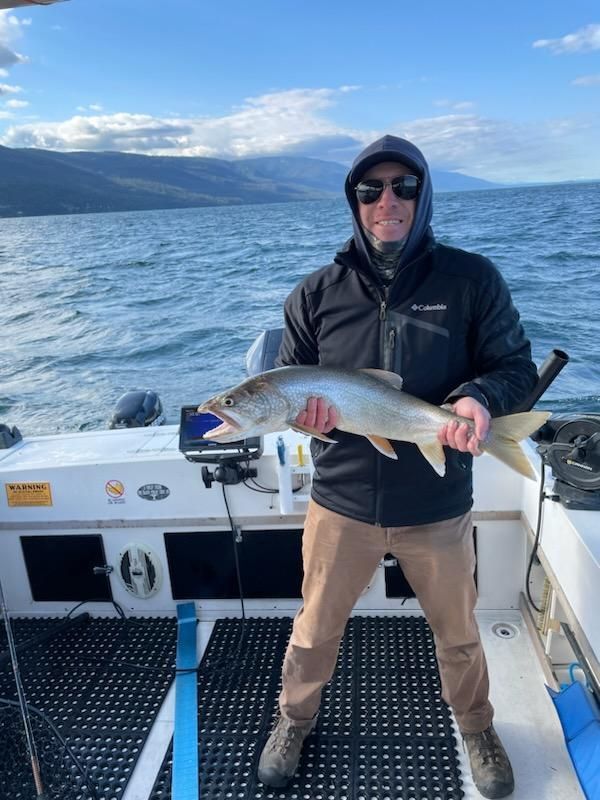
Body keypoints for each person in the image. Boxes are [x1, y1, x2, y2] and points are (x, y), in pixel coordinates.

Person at [257, 134, 538, 799]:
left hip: (437, 504)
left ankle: (475, 726)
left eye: (403, 187)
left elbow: (515, 369)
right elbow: (287, 382)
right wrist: (303, 419)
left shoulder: (472, 280)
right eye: (370, 189)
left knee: (460, 633)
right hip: (341, 503)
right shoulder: (315, 294)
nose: (387, 201)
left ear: (423, 193)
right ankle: (293, 720)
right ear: (353, 201)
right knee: (314, 629)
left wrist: (479, 397)